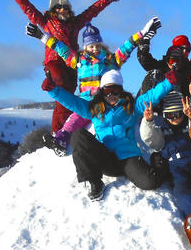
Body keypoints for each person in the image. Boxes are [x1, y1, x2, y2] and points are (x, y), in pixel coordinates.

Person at [0, 0, 120, 136]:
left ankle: (66, 130)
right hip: (54, 62)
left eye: (65, 7)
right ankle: (56, 132)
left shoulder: (75, 23)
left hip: (72, 63)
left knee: (69, 99)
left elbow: (92, 11)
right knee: (62, 88)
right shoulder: (47, 22)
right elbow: (27, 7)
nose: (62, 10)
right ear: (53, 10)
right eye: (58, 7)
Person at [27, 17, 161, 154]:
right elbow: (62, 49)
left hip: (104, 100)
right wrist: (43, 36)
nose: (95, 49)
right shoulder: (79, 60)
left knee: (90, 116)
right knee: (74, 119)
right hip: (85, 100)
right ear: (85, 47)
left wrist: (143, 33)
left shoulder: (110, 61)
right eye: (91, 46)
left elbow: (126, 47)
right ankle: (61, 141)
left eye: (97, 45)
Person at [47, 69, 177, 200]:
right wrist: (53, 90)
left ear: (121, 90)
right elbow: (74, 102)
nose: (111, 95)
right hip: (105, 157)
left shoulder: (132, 106)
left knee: (150, 182)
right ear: (102, 92)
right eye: (107, 91)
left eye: (115, 90)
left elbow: (151, 96)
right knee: (78, 135)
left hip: (128, 158)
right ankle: (94, 182)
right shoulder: (94, 108)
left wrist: (168, 82)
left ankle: (158, 162)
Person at [140, 76, 191, 217]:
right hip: (174, 166)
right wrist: (149, 122)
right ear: (164, 115)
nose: (175, 118)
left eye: (178, 114)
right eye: (170, 115)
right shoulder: (161, 128)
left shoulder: (189, 125)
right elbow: (152, 140)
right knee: (182, 189)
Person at [136, 18, 191, 96]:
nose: (185, 51)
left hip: (182, 105)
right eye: (182, 48)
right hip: (158, 105)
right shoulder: (161, 67)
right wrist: (145, 42)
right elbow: (146, 61)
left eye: (188, 49)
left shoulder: (188, 68)